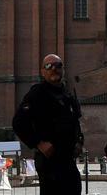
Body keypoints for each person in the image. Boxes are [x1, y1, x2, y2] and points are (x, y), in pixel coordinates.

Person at [13, 54, 83, 195]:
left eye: (58, 66)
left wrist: (79, 142)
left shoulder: (67, 94)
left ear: (63, 69)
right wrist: (39, 143)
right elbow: (18, 123)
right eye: (48, 66)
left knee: (75, 189)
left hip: (68, 158)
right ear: (42, 71)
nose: (54, 69)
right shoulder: (37, 94)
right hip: (49, 160)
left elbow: (76, 122)